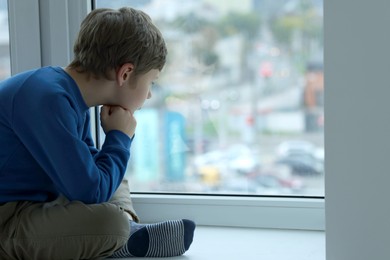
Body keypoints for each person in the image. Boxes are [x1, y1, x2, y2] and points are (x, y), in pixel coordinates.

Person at [0, 7, 195, 259]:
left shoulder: (65, 94)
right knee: (110, 222)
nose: (148, 94)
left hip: (36, 201)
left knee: (111, 170)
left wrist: (116, 145)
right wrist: (120, 137)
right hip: (7, 218)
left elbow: (91, 176)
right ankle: (121, 236)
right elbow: (89, 192)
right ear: (125, 73)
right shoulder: (47, 99)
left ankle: (125, 232)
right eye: (151, 83)